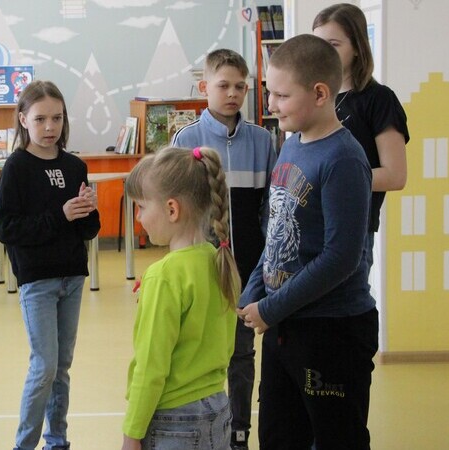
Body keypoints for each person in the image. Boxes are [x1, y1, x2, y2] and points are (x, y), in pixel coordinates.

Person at [237, 34, 376, 449]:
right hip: (285, 325)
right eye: (270, 93)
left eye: (282, 95)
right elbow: (276, 231)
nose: (271, 105)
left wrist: (270, 308)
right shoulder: (291, 143)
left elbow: (341, 257)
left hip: (332, 331)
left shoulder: (343, 159)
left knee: (337, 438)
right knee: (279, 437)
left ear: (319, 94)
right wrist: (253, 293)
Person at [172, 48, 277, 450]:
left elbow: (270, 208)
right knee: (202, 351)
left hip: (249, 271)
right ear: (205, 87)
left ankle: (238, 432)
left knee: (242, 354)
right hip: (202, 269)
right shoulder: (187, 140)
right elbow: (178, 209)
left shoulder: (263, 141)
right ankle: (206, 429)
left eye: (240, 87)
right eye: (223, 85)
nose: (232, 94)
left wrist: (265, 264)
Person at [0, 80, 101, 450]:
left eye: (57, 118)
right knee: (44, 367)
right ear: (23, 120)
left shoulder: (74, 166)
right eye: (40, 119)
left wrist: (88, 210)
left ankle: (58, 440)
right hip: (37, 280)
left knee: (61, 367)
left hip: (72, 277)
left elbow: (88, 230)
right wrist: (60, 215)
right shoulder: (17, 167)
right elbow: (7, 227)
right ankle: (24, 444)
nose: (49, 127)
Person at [121, 146, 240, 450]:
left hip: (174, 422)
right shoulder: (218, 261)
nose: (138, 217)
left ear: (172, 209)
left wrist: (132, 432)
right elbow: (226, 346)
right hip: (217, 408)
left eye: (141, 207)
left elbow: (151, 367)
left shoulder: (164, 276)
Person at [313, 3, 409, 266]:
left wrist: (332, 180)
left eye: (333, 44)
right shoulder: (314, 96)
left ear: (357, 47)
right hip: (311, 224)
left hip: (352, 229)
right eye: (318, 45)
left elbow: (395, 175)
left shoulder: (379, 99)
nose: (323, 54)